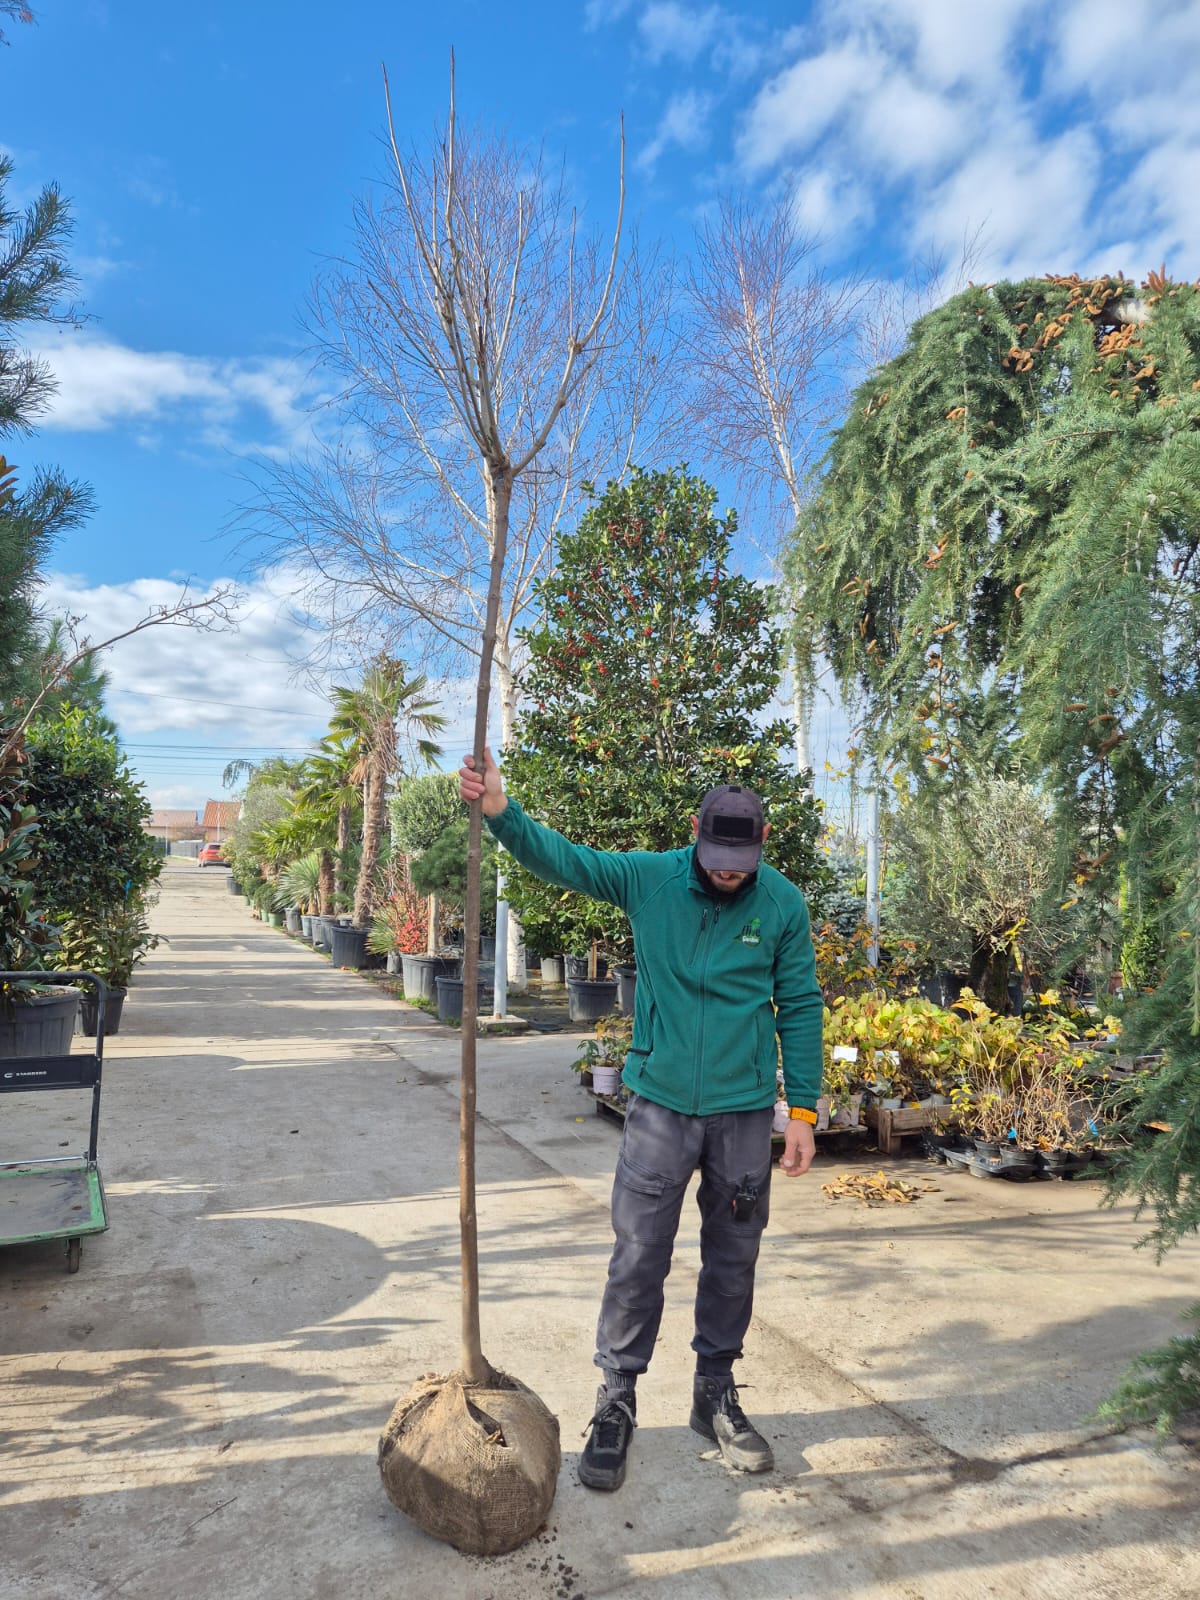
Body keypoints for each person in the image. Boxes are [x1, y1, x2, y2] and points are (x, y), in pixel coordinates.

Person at [459, 748, 823, 1491]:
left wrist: (804, 1112)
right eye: (717, 856)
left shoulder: (781, 903)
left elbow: (803, 1006)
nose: (728, 872)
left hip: (745, 1113)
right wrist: (502, 812)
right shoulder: (649, 878)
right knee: (638, 1256)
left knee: (734, 1258)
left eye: (741, 859)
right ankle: (617, 1398)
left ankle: (713, 1393)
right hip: (660, 1105)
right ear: (694, 832)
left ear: (761, 844)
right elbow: (565, 861)